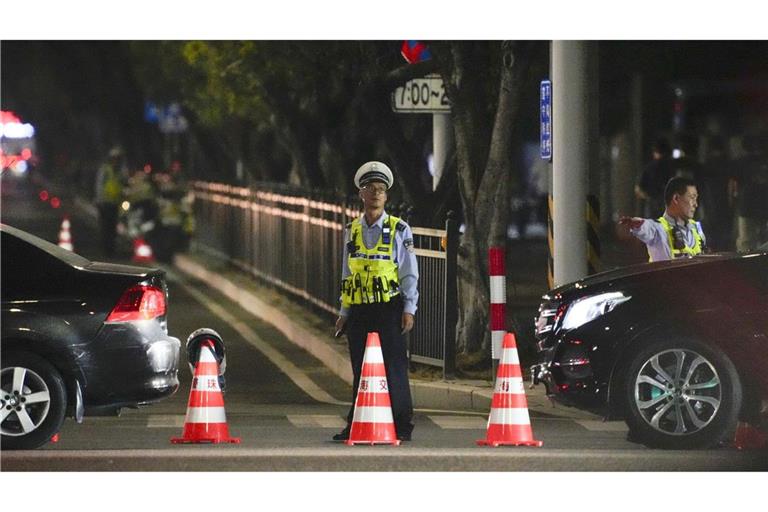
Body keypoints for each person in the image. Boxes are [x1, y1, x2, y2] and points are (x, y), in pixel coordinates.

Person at [332, 161, 419, 442]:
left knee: (394, 366)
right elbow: (347, 272)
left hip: (388, 307)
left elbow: (409, 272)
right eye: (370, 188)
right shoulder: (352, 229)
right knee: (360, 369)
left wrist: (409, 308)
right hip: (359, 309)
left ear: (387, 196)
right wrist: (344, 311)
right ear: (361, 194)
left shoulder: (399, 229)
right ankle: (356, 422)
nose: (376, 193)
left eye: (381, 189)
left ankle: (402, 424)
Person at [620, 176, 707, 262]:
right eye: (692, 198)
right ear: (676, 198)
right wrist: (636, 224)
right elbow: (645, 226)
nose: (696, 204)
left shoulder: (696, 227)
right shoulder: (658, 229)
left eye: (696, 199)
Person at [730, 134, 768, 252]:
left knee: (746, 242)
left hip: (746, 204)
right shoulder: (764, 160)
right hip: (764, 202)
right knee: (763, 239)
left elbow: (733, 185)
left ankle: (746, 267)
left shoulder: (740, 162)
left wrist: (732, 200)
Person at [94, 146, 125, 257]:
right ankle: (105, 249)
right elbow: (99, 185)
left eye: (118, 159)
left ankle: (111, 249)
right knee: (105, 227)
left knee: (112, 227)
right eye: (115, 158)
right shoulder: (106, 170)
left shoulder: (120, 172)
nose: (117, 161)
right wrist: (99, 200)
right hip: (105, 203)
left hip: (115, 203)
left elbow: (122, 186)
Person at [635, 137, 673, 217]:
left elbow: (638, 189)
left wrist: (649, 197)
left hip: (652, 207)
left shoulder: (649, 168)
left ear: (655, 151)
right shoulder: (672, 168)